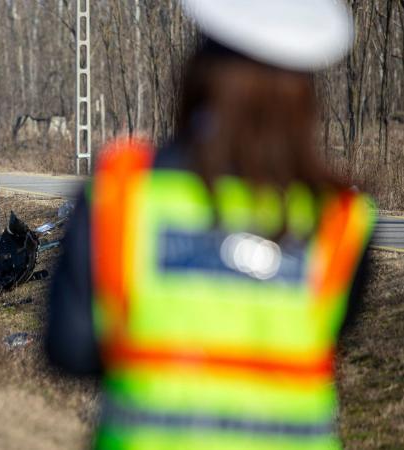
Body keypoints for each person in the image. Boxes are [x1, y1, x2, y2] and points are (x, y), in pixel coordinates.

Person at [46, 0, 375, 448]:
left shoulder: (122, 194)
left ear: (198, 71)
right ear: (306, 92)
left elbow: (69, 349)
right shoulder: (343, 222)